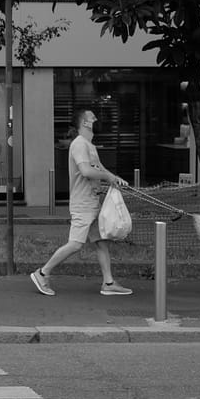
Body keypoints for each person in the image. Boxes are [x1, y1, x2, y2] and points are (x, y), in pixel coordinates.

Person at [30, 106, 131, 297]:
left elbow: (100, 168)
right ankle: (42, 273)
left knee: (101, 242)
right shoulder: (79, 144)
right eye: (93, 118)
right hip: (83, 204)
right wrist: (108, 178)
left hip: (92, 203)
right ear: (85, 123)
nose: (96, 120)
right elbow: (86, 171)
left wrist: (115, 178)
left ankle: (108, 283)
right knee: (76, 244)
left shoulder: (89, 146)